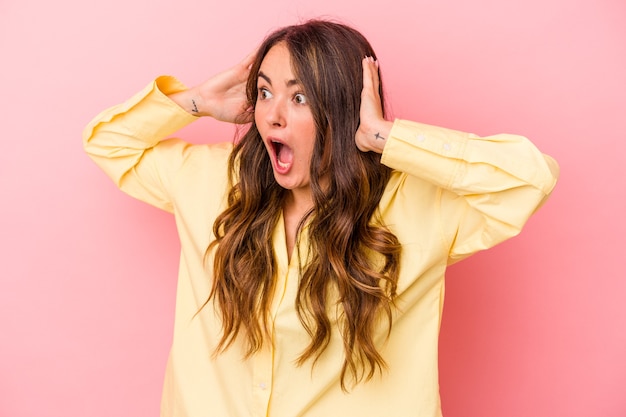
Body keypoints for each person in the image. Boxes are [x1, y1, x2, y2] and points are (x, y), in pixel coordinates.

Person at [83, 19, 558, 417]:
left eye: (300, 98)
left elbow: (529, 180)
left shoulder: (414, 206)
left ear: (342, 109)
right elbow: (109, 144)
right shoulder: (213, 183)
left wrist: (385, 137)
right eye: (264, 92)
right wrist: (198, 102)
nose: (272, 116)